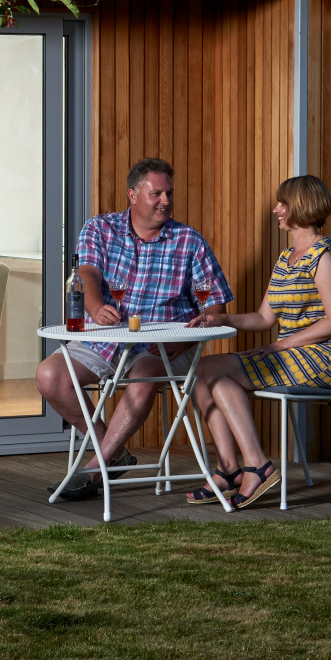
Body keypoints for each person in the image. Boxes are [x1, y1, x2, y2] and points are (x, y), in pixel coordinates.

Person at [39, 156, 232, 500]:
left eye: (169, 193)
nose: (166, 201)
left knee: (143, 378)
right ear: (132, 195)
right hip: (106, 337)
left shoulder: (188, 241)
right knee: (50, 377)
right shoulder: (100, 228)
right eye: (157, 193)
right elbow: (88, 274)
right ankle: (114, 453)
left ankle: (93, 469)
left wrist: (187, 342)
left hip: (161, 345)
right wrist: (96, 307)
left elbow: (215, 304)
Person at [186, 174, 331, 509]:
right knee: (203, 369)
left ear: (302, 206)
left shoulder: (323, 258)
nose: (277, 209)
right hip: (293, 354)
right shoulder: (286, 259)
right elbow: (264, 319)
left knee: (219, 376)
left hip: (327, 357)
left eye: (283, 203)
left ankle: (256, 466)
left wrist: (280, 345)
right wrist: (221, 318)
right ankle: (231, 468)